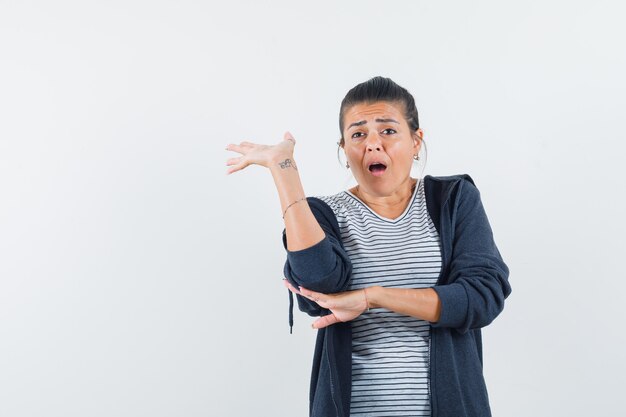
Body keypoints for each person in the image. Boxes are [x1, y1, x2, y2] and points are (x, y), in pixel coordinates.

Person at [225, 76, 511, 417]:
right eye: (358, 134)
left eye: (388, 131)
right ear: (345, 149)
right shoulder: (324, 214)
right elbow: (316, 285)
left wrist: (373, 296)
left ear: (416, 141)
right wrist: (284, 171)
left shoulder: (452, 201)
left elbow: (482, 297)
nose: (373, 144)